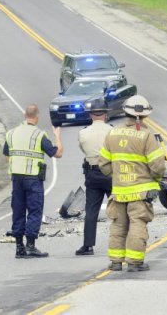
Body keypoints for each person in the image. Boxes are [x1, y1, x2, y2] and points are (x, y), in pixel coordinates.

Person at [99, 95, 166, 272]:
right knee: (137, 224)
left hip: (119, 190)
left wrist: (119, 175)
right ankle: (135, 262)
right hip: (141, 192)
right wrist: (155, 179)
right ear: (145, 116)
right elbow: (158, 167)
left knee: (118, 225)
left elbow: (103, 164)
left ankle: (115, 261)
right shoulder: (146, 136)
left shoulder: (112, 133)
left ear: (125, 111)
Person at [3, 104, 63, 258]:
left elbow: (7, 155)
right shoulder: (39, 135)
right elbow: (58, 153)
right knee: (35, 210)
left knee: (18, 211)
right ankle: (30, 246)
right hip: (33, 178)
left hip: (16, 178)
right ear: (37, 117)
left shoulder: (11, 134)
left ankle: (19, 248)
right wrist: (57, 135)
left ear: (24, 115)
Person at [75, 100, 113, 256]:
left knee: (91, 211)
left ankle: (88, 245)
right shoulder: (112, 131)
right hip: (111, 172)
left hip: (93, 174)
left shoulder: (83, 132)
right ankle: (122, 240)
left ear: (90, 115)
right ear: (105, 114)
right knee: (118, 209)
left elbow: (83, 149)